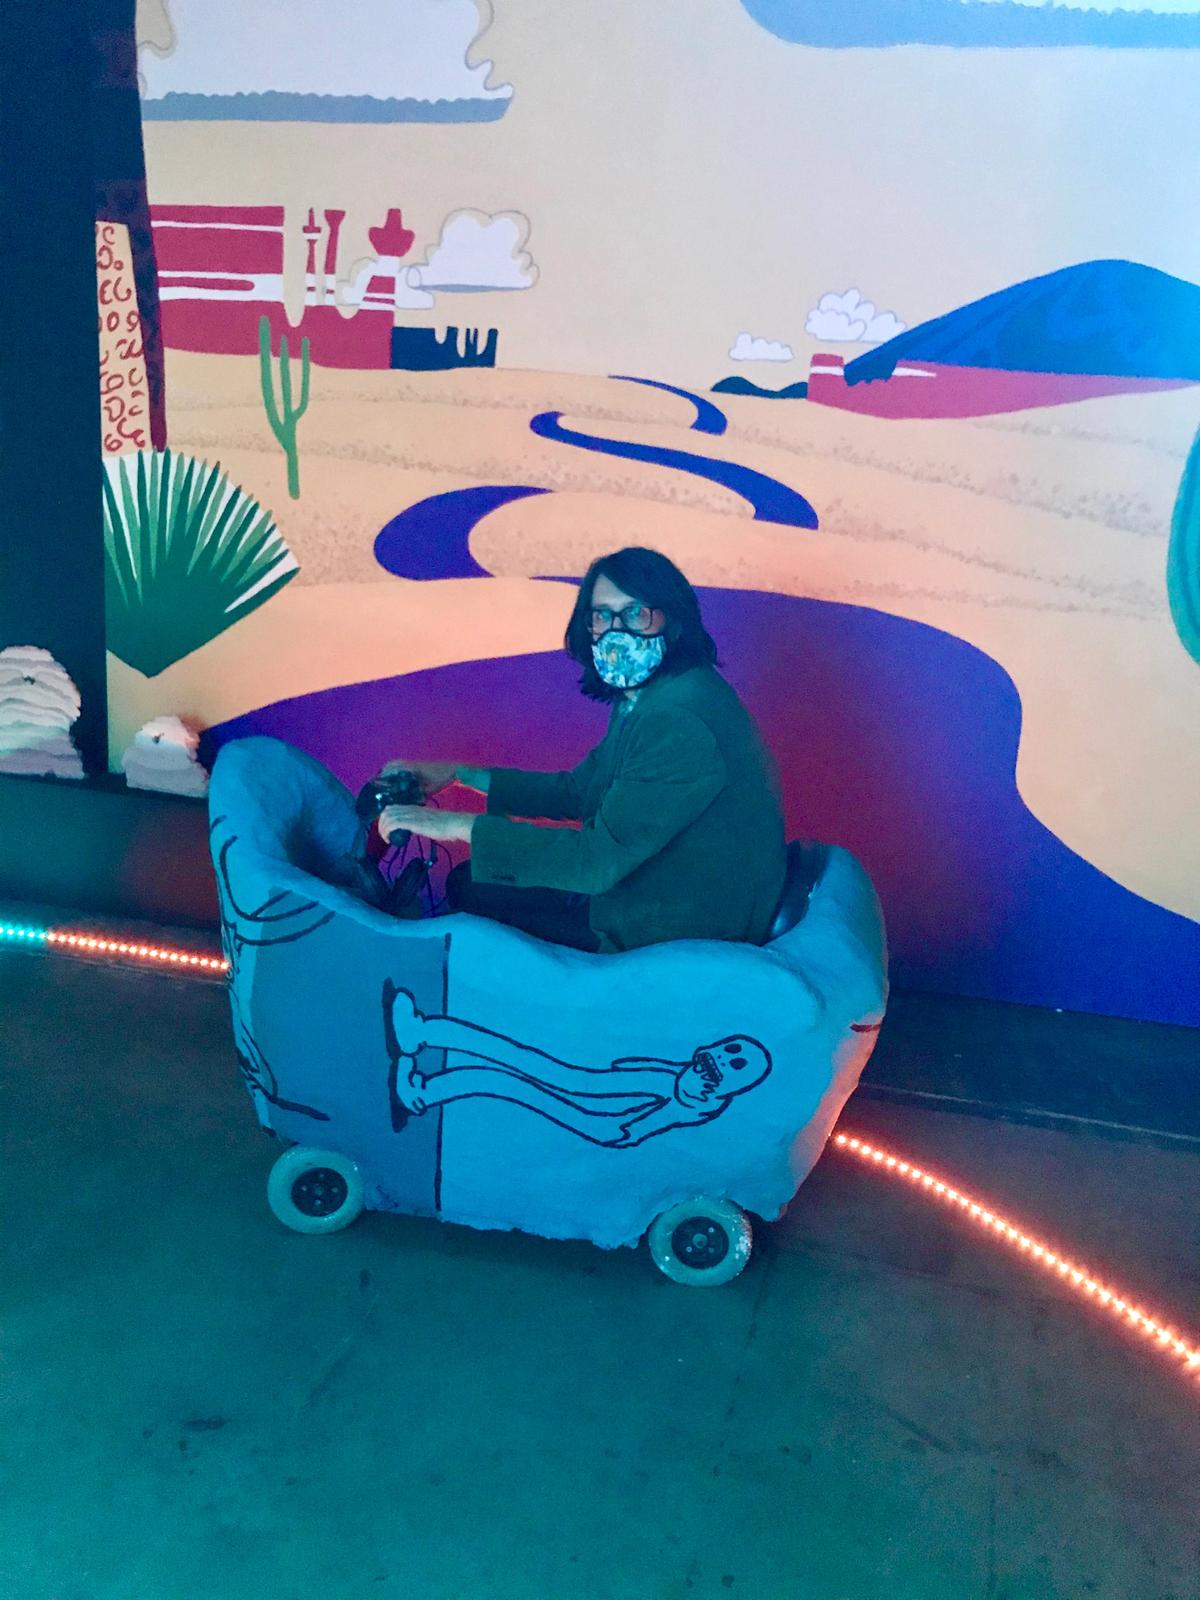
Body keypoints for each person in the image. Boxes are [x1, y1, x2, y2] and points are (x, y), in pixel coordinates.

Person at [377, 547, 786, 953]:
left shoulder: (677, 718)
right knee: (471, 883)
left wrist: (454, 826)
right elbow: (579, 790)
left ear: (673, 622)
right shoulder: (651, 697)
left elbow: (595, 864)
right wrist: (458, 775)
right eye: (602, 615)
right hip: (655, 887)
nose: (615, 631)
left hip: (675, 926)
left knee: (475, 893)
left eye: (635, 613)